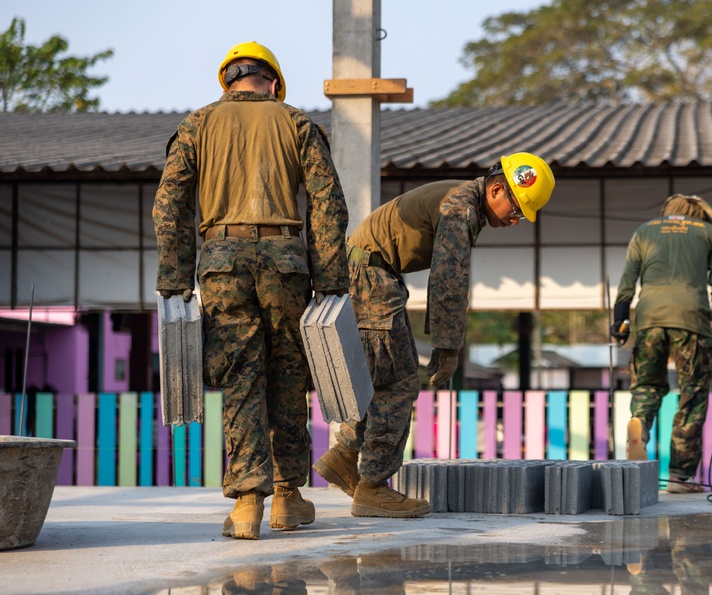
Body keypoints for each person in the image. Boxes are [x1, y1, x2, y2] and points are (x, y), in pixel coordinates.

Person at [153, 41, 350, 539]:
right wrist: (329, 280)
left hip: (221, 261)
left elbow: (169, 205)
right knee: (288, 375)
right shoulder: (297, 122)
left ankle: (246, 503)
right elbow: (327, 204)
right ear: (274, 82)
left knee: (241, 376)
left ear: (227, 81)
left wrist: (175, 278)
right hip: (286, 260)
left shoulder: (197, 124)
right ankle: (287, 497)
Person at [312, 154, 555, 517]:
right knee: (399, 383)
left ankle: (345, 456)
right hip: (372, 276)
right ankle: (373, 487)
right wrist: (448, 345)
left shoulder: (462, 201)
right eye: (516, 210)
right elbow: (448, 279)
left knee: (379, 376)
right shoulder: (461, 209)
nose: (515, 221)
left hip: (370, 272)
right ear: (497, 187)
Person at [611, 194, 712, 493]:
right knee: (692, 395)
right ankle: (680, 476)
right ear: (699, 213)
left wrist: (620, 319)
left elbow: (628, 279)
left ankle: (639, 422)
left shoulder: (645, 230)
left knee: (647, 384)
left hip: (650, 317)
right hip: (692, 319)